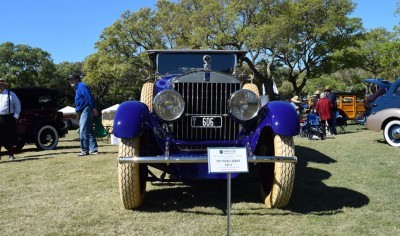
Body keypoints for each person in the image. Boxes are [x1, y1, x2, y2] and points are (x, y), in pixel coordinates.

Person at [68, 74, 99, 156]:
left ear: (77, 79)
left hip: (86, 109)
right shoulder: (77, 88)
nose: (70, 81)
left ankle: (85, 150)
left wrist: (94, 108)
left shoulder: (82, 86)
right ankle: (94, 149)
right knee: (89, 130)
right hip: (82, 110)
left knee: (83, 130)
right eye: (70, 80)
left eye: (72, 79)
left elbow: (89, 97)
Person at [0, 79, 21, 160]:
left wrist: (15, 117)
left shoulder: (11, 94)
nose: (0, 86)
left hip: (9, 118)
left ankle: (11, 154)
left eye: (1, 85)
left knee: (10, 137)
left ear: (4, 85)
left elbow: (17, 105)